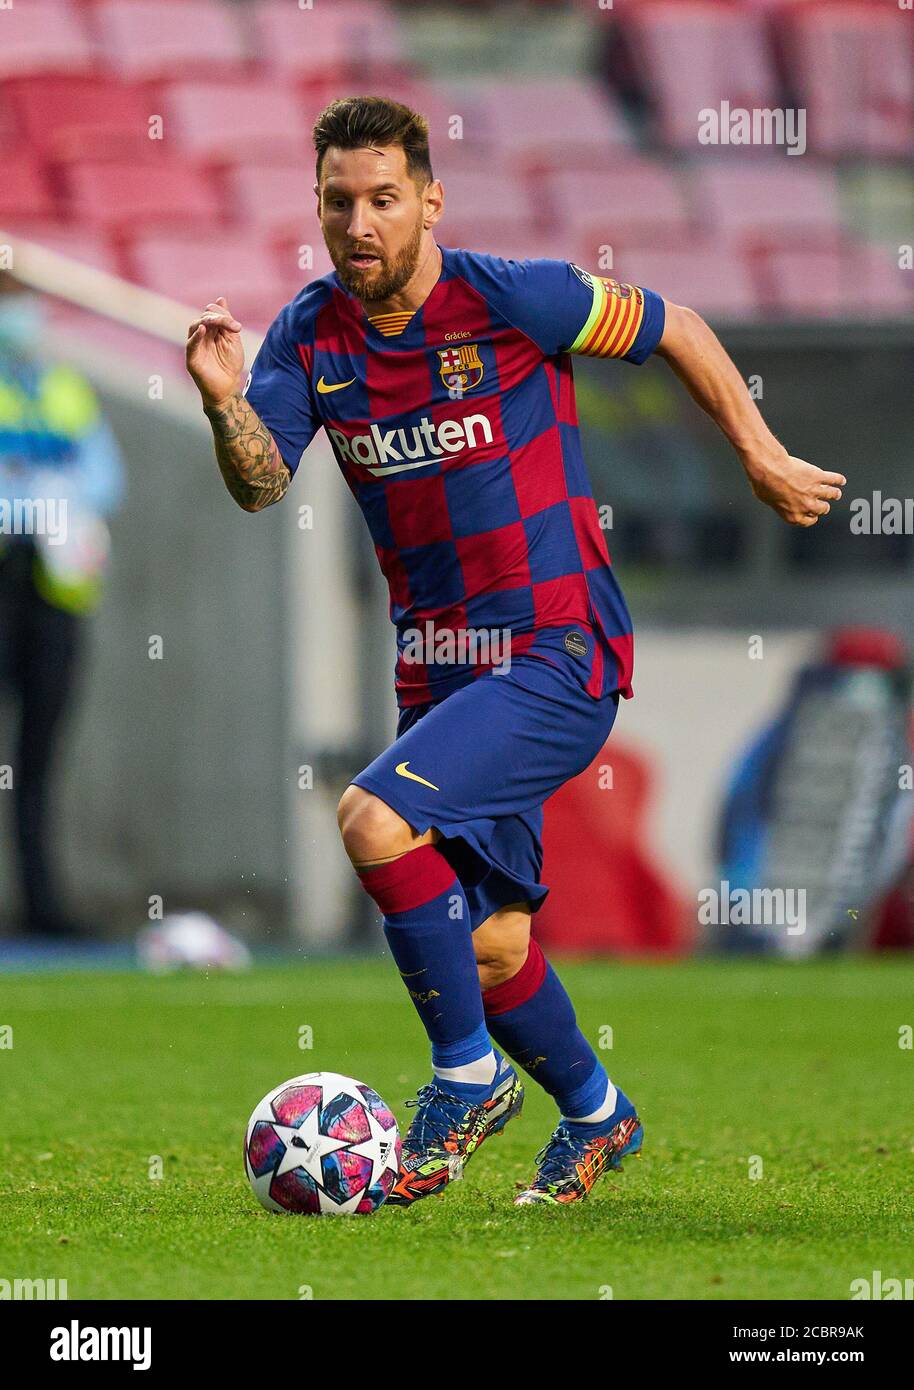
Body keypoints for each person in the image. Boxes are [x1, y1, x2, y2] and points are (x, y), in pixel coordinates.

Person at [185, 96, 845, 1207]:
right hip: (437, 672)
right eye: (338, 201)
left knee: (369, 819)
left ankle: (465, 1080)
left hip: (553, 645)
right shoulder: (308, 335)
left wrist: (761, 454)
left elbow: (673, 323)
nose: (359, 224)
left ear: (428, 200)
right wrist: (218, 403)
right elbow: (260, 484)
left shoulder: (508, 298)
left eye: (383, 199)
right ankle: (596, 1113)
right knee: (488, 949)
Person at [0, 270, 124, 938]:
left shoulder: (64, 387)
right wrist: (40, 492)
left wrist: (30, 491)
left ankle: (41, 903)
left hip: (52, 587)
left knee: (38, 758)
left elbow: (105, 480)